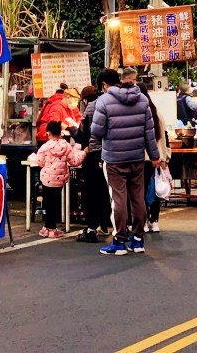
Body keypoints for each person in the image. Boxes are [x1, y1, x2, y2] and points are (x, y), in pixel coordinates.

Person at [90, 67, 163, 256]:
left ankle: (119, 241)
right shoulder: (142, 99)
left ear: (105, 85)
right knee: (137, 198)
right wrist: (154, 156)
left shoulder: (104, 101)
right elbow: (150, 133)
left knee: (118, 199)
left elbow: (96, 132)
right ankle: (138, 240)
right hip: (137, 157)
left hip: (114, 158)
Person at [30, 120, 85, 238]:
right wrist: (84, 153)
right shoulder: (66, 146)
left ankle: (48, 227)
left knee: (48, 203)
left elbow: (39, 162)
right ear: (60, 133)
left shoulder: (45, 147)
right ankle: (52, 227)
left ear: (48, 133)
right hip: (60, 180)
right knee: (55, 203)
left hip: (46, 179)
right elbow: (74, 161)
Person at [73, 85, 112, 244]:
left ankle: (91, 228)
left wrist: (71, 128)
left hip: (93, 153)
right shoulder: (109, 103)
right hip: (109, 153)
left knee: (92, 192)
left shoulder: (90, 107)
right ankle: (105, 223)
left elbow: (82, 134)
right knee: (105, 190)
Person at [141, 88, 171, 234]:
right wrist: (164, 157)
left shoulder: (139, 111)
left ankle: (144, 221)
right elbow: (163, 136)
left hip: (140, 157)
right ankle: (155, 221)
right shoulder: (155, 111)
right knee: (155, 188)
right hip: (155, 158)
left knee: (140, 191)